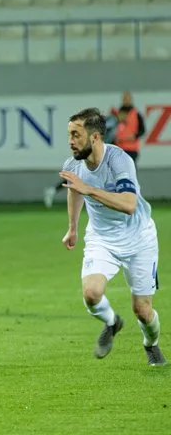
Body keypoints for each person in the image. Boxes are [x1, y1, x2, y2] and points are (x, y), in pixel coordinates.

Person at [59, 108, 164, 367]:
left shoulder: (119, 161)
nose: (70, 140)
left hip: (139, 238)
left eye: (76, 134)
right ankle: (111, 321)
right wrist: (72, 227)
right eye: (69, 134)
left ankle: (150, 345)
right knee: (92, 293)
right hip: (102, 238)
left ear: (95, 137)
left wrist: (89, 190)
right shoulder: (72, 164)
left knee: (143, 310)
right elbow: (74, 192)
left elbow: (129, 204)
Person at [112, 91, 146, 164]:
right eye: (125, 98)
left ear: (131, 99)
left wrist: (134, 136)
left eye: (128, 98)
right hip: (119, 148)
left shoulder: (136, 114)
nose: (126, 100)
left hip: (132, 148)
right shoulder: (116, 113)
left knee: (131, 171)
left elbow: (142, 130)